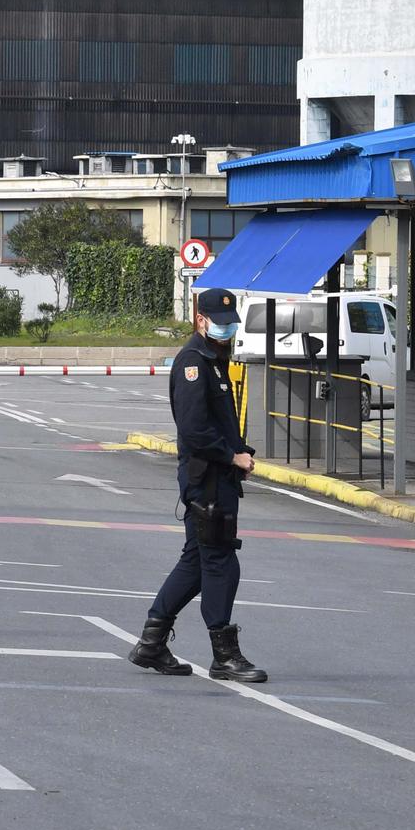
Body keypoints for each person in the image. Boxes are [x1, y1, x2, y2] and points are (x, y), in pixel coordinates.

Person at [128, 287, 267, 682]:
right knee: (221, 561)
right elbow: (193, 429)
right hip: (206, 479)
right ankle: (224, 655)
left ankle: (152, 644)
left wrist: (240, 451)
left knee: (197, 561)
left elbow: (220, 421)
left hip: (217, 477)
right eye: (220, 324)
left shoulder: (214, 359)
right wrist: (231, 455)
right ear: (201, 320)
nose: (227, 330)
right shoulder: (194, 362)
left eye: (230, 324)